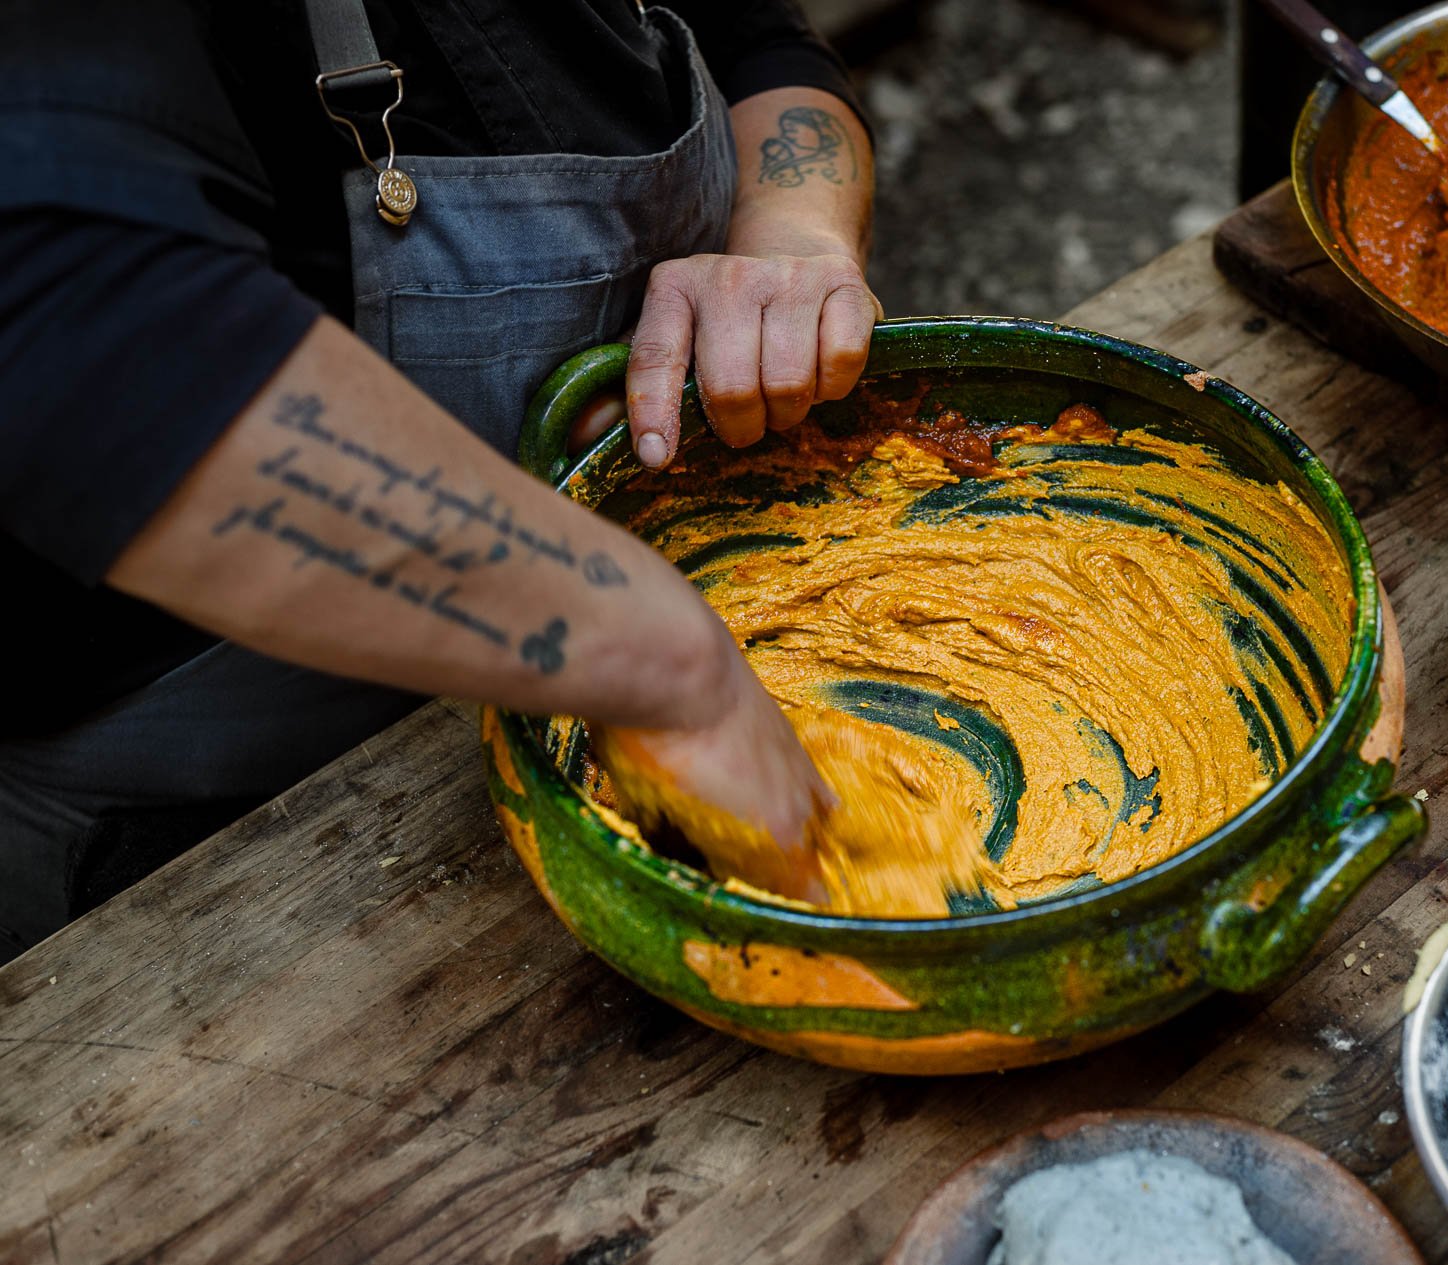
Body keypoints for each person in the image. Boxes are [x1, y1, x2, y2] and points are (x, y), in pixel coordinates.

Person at [0, 0, 879, 957]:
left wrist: (791, 232)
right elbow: (68, 336)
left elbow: (758, 41)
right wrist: (658, 655)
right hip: (241, 853)